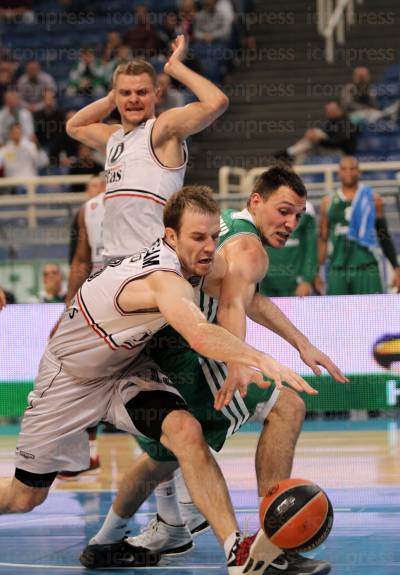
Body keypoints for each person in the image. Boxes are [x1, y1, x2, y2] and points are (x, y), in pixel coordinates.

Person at [0, 187, 315, 575]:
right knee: (24, 497)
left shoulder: (202, 263)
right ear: (171, 237)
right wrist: (258, 358)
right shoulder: (163, 278)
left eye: (214, 237)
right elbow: (200, 334)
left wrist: (300, 343)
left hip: (126, 370)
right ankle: (165, 526)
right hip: (70, 380)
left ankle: (239, 553)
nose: (208, 247)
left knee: (185, 431)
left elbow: (241, 294)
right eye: (198, 238)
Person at [84, 169, 346, 574]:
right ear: (256, 201)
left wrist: (301, 343)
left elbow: (246, 296)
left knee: (167, 452)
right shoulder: (248, 246)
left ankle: (107, 538)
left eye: (297, 215)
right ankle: (272, 543)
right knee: (287, 406)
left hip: (141, 353)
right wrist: (238, 361)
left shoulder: (221, 226)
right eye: (283, 211)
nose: (290, 223)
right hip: (183, 354)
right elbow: (233, 305)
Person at [65, 34, 229, 260]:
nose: (133, 99)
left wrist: (176, 68)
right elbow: (74, 126)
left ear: (157, 94)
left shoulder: (161, 130)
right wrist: (110, 99)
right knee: (79, 297)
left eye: (141, 92)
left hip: (152, 260)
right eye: (126, 93)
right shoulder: (114, 136)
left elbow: (216, 102)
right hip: (113, 261)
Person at [318, 156, 400, 295]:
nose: (348, 172)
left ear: (359, 172)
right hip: (338, 269)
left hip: (366, 268)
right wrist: (315, 271)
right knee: (336, 315)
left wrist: (396, 268)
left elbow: (383, 236)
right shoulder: (328, 202)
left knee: (372, 314)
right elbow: (323, 239)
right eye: (344, 169)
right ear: (339, 173)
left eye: (352, 168)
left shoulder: (373, 199)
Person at [260, 200, 318, 297]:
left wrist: (306, 280)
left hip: (295, 286)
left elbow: (311, 248)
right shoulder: (262, 206)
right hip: (266, 284)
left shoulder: (306, 209)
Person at [277, 101, 359, 164]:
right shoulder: (330, 122)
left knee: (316, 134)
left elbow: (339, 141)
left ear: (339, 109)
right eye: (328, 111)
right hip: (326, 148)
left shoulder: (348, 124)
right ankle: (295, 172)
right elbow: (322, 130)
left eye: (332, 110)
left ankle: (290, 151)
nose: (330, 113)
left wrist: (319, 140)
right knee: (303, 154)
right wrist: (312, 134)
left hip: (342, 152)